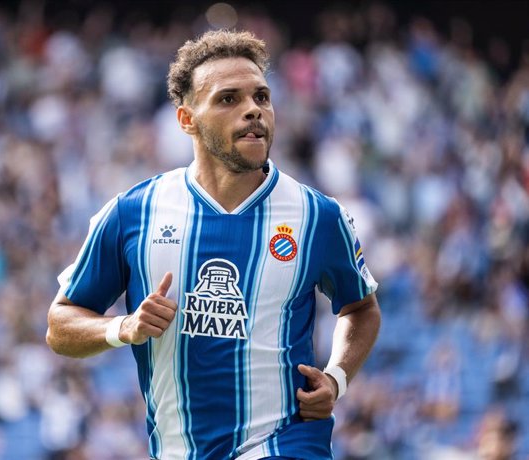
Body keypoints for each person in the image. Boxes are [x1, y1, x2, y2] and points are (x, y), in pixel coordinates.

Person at [46, 29, 381, 460]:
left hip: (287, 442)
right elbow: (60, 326)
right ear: (187, 120)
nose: (253, 111)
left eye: (261, 97)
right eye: (229, 99)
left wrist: (336, 377)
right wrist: (122, 327)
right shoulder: (135, 212)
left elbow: (362, 308)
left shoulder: (318, 216)